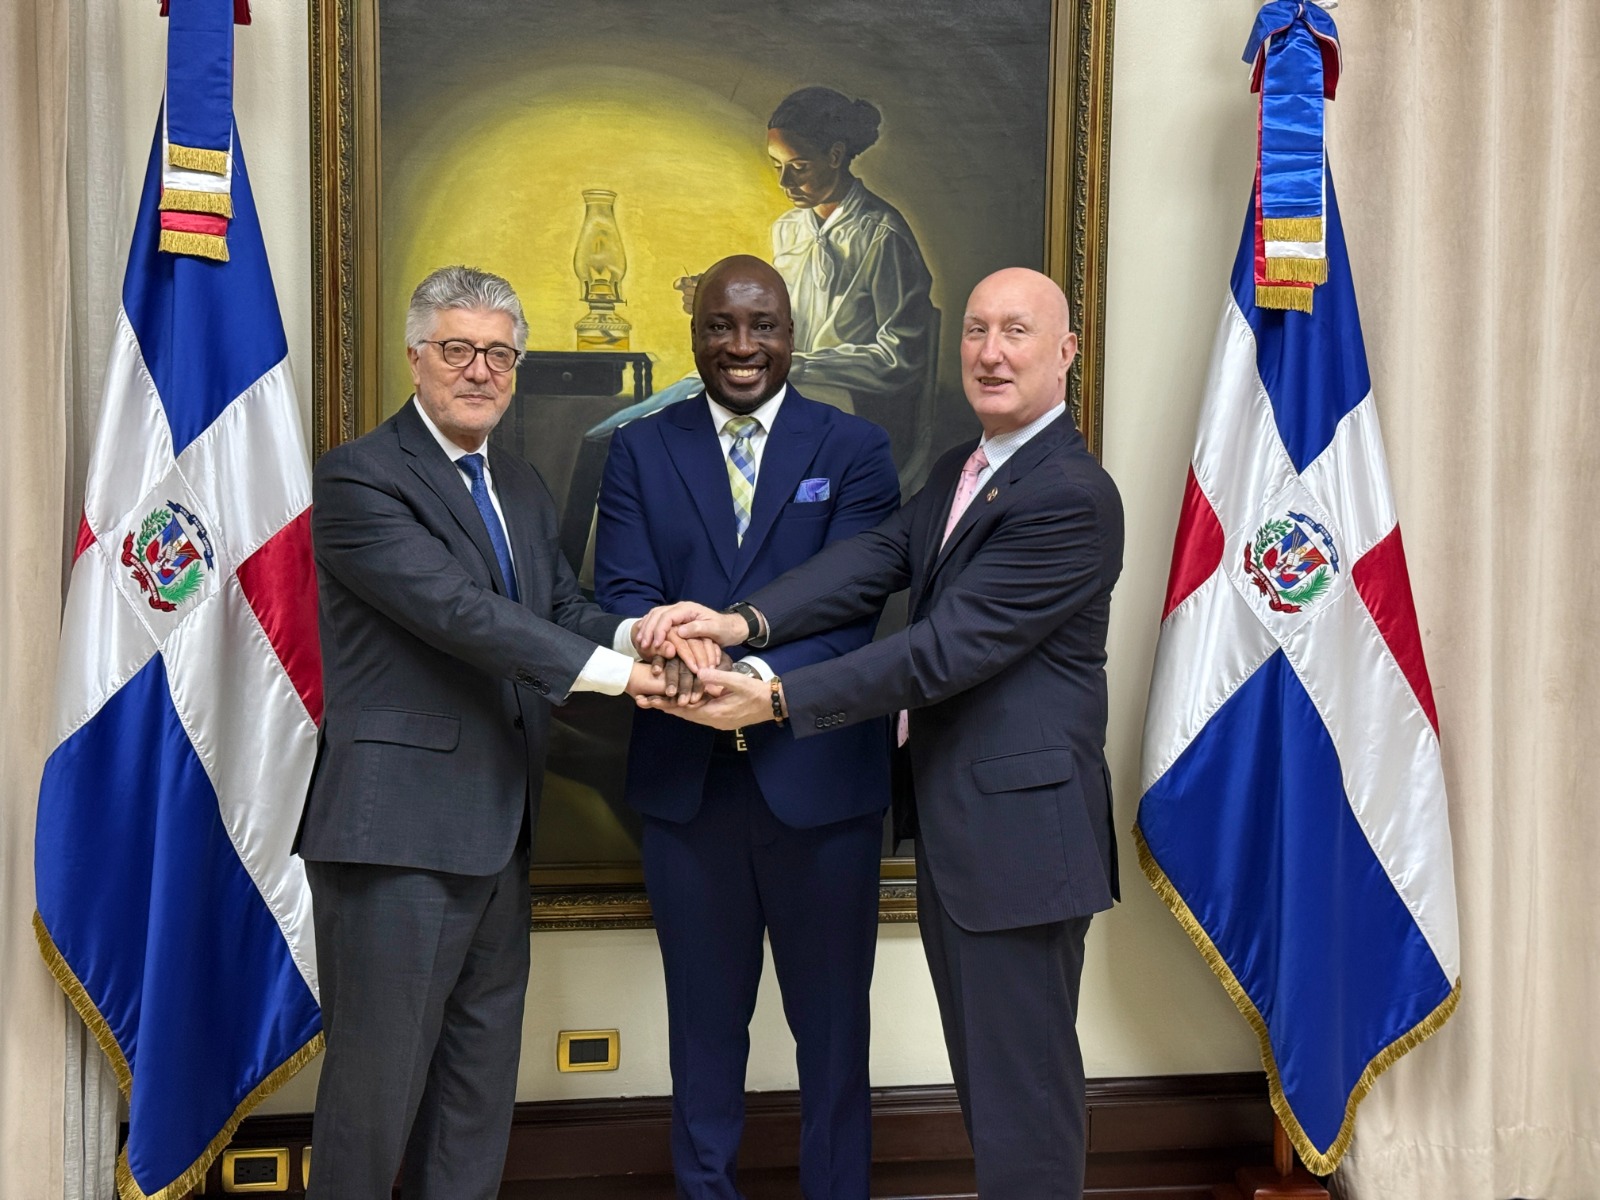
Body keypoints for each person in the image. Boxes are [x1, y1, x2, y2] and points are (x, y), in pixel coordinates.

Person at [636, 267, 1124, 1200]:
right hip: (969, 831)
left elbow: (941, 651)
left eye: (1016, 332)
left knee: (1022, 1100)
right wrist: (742, 623)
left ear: (1066, 352)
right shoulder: (969, 467)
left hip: (1022, 842)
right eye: (976, 330)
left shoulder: (1068, 494)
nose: (989, 353)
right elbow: (875, 558)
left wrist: (775, 698)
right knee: (993, 1091)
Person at [295, 265, 671, 1200]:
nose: (481, 371)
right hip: (399, 840)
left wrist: (648, 638)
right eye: (459, 349)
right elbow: (463, 615)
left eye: (500, 355)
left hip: (500, 833)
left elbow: (561, 609)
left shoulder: (520, 484)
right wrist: (628, 679)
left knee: (475, 1099)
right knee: (374, 1103)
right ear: (415, 356)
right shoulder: (359, 477)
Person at [595, 255, 901, 1199]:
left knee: (834, 1035)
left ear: (791, 333)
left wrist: (756, 675)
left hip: (823, 789)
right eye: (721, 325)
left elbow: (856, 603)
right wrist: (661, 639)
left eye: (761, 325)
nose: (741, 346)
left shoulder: (856, 449)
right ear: (694, 333)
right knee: (703, 1032)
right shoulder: (639, 449)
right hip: (687, 792)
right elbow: (622, 589)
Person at [592, 86, 935, 478]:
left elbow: (898, 360)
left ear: (836, 155)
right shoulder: (788, 230)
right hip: (776, 383)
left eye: (799, 166)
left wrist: (796, 365)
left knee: (671, 445)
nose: (785, 181)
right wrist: (719, 301)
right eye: (777, 166)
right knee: (618, 435)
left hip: (844, 404)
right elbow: (780, 321)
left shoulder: (882, 235)